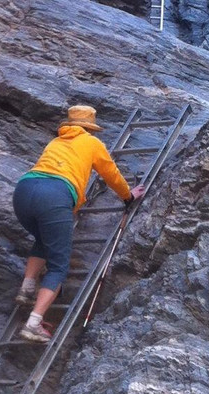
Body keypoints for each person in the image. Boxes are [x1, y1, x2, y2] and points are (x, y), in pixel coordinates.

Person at [12, 104, 144, 343]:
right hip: (55, 195)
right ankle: (33, 324)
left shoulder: (56, 142)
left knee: (44, 239)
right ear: (89, 127)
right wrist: (128, 196)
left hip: (24, 190)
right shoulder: (91, 143)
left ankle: (27, 288)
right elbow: (110, 173)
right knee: (58, 267)